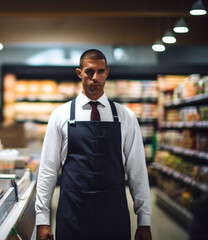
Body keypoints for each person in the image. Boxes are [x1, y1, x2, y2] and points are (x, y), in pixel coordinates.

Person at [35, 49, 152, 240]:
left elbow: (137, 170)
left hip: (114, 215)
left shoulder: (125, 117)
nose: (94, 77)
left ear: (107, 73)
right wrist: (42, 219)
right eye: (89, 71)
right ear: (79, 73)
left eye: (100, 71)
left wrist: (144, 221)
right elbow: (48, 170)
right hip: (72, 214)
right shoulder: (60, 116)